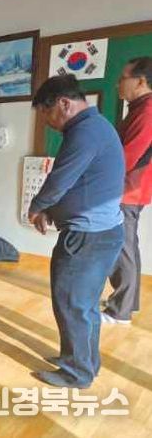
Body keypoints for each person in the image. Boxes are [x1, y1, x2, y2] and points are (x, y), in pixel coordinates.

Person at [28, 74, 124, 388]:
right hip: (101, 233)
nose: (47, 123)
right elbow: (76, 182)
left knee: (72, 304)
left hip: (87, 238)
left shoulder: (84, 133)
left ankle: (77, 372)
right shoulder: (95, 127)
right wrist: (50, 209)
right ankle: (84, 362)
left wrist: (36, 207)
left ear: (64, 104)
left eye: (47, 113)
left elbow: (60, 180)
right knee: (84, 305)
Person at [103, 57, 152, 324]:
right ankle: (125, 303)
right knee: (127, 246)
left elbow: (127, 157)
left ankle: (120, 312)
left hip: (128, 191)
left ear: (141, 81)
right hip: (129, 189)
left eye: (123, 78)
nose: (118, 84)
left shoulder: (147, 112)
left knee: (122, 247)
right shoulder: (139, 108)